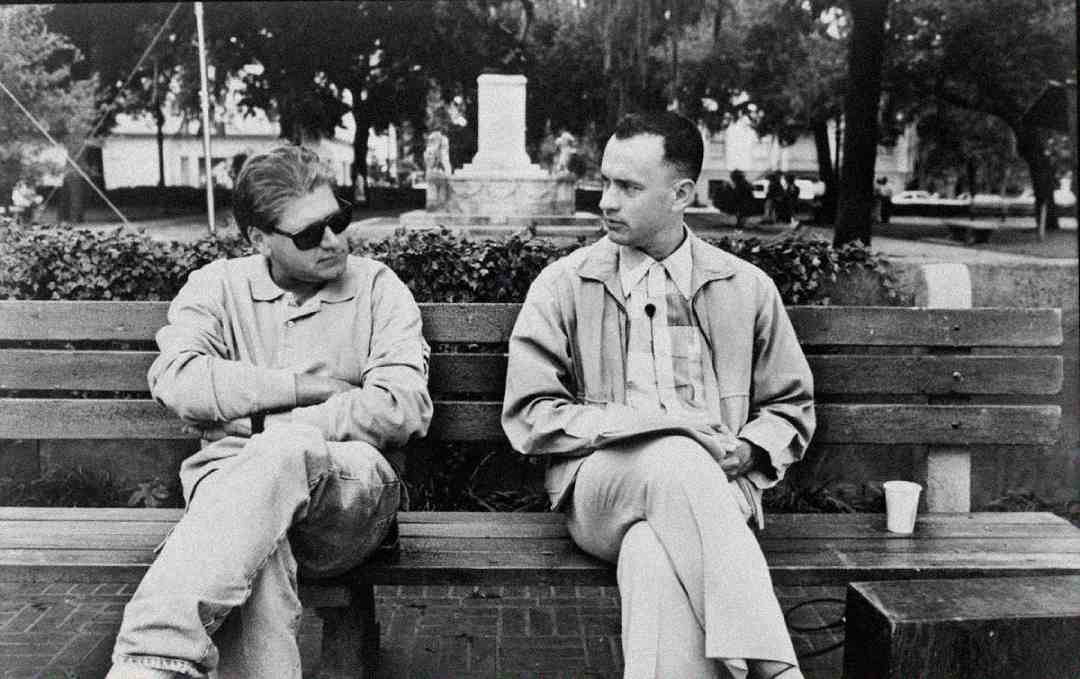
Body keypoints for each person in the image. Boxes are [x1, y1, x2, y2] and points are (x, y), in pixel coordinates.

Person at [503, 112, 815, 679]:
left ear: (682, 195)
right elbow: (531, 414)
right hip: (601, 487)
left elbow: (790, 407)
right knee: (672, 453)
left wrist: (746, 451)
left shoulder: (744, 288)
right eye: (605, 182)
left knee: (651, 558)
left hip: (719, 490)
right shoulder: (565, 284)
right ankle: (776, 668)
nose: (606, 201)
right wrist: (651, 427)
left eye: (627, 187)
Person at [106, 145, 433, 679]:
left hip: (349, 500)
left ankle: (152, 658)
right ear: (259, 239)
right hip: (238, 504)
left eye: (338, 219)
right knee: (258, 551)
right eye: (308, 235)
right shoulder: (216, 287)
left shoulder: (378, 288)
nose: (333, 241)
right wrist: (302, 388)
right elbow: (177, 380)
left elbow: (401, 407)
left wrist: (260, 423)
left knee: (279, 455)